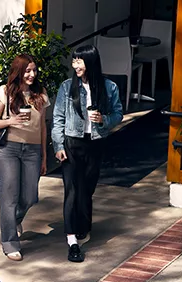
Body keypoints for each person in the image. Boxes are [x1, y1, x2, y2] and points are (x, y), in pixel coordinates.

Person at [51, 44, 123, 263]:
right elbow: (58, 118)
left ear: (90, 62)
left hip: (95, 143)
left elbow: (118, 113)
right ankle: (72, 241)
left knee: (86, 190)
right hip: (72, 143)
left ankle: (84, 225)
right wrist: (59, 146)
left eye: (79, 61)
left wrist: (104, 120)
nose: (75, 65)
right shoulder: (66, 87)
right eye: (73, 61)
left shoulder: (108, 87)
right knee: (71, 191)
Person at [0, 54, 50, 261]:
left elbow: (42, 127)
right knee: (9, 198)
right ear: (18, 72)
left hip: (32, 150)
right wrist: (11, 121)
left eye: (34, 70)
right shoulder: (4, 92)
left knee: (30, 195)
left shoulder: (40, 93)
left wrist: (44, 156)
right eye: (27, 70)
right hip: (9, 149)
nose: (32, 74)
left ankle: (14, 220)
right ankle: (9, 243)